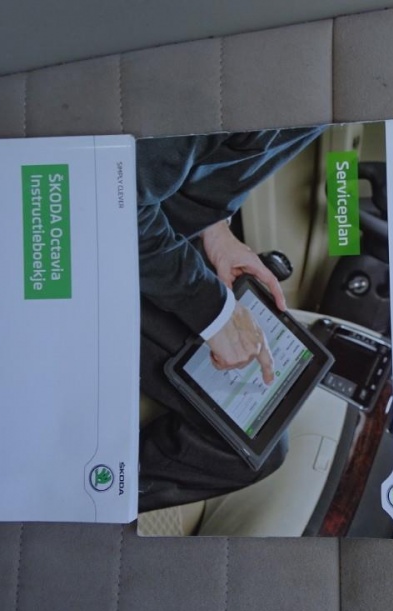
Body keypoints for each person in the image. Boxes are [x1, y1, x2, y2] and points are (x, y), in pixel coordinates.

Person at [137, 127, 324, 513]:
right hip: (107, 250)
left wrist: (217, 232)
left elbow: (196, 161)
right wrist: (212, 310)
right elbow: (116, 195)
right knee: (244, 452)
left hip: (165, 235)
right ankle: (78, 493)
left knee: (263, 435)